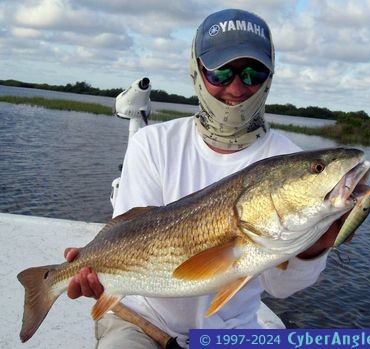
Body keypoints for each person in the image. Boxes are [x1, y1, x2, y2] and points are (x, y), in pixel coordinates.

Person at [65, 8, 348, 348]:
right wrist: (99, 274)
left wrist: (310, 250)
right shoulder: (153, 143)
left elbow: (280, 288)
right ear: (197, 71)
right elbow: (128, 233)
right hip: (141, 318)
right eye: (221, 71)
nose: (236, 87)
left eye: (252, 73)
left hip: (234, 332)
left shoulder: (286, 158)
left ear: (269, 77)